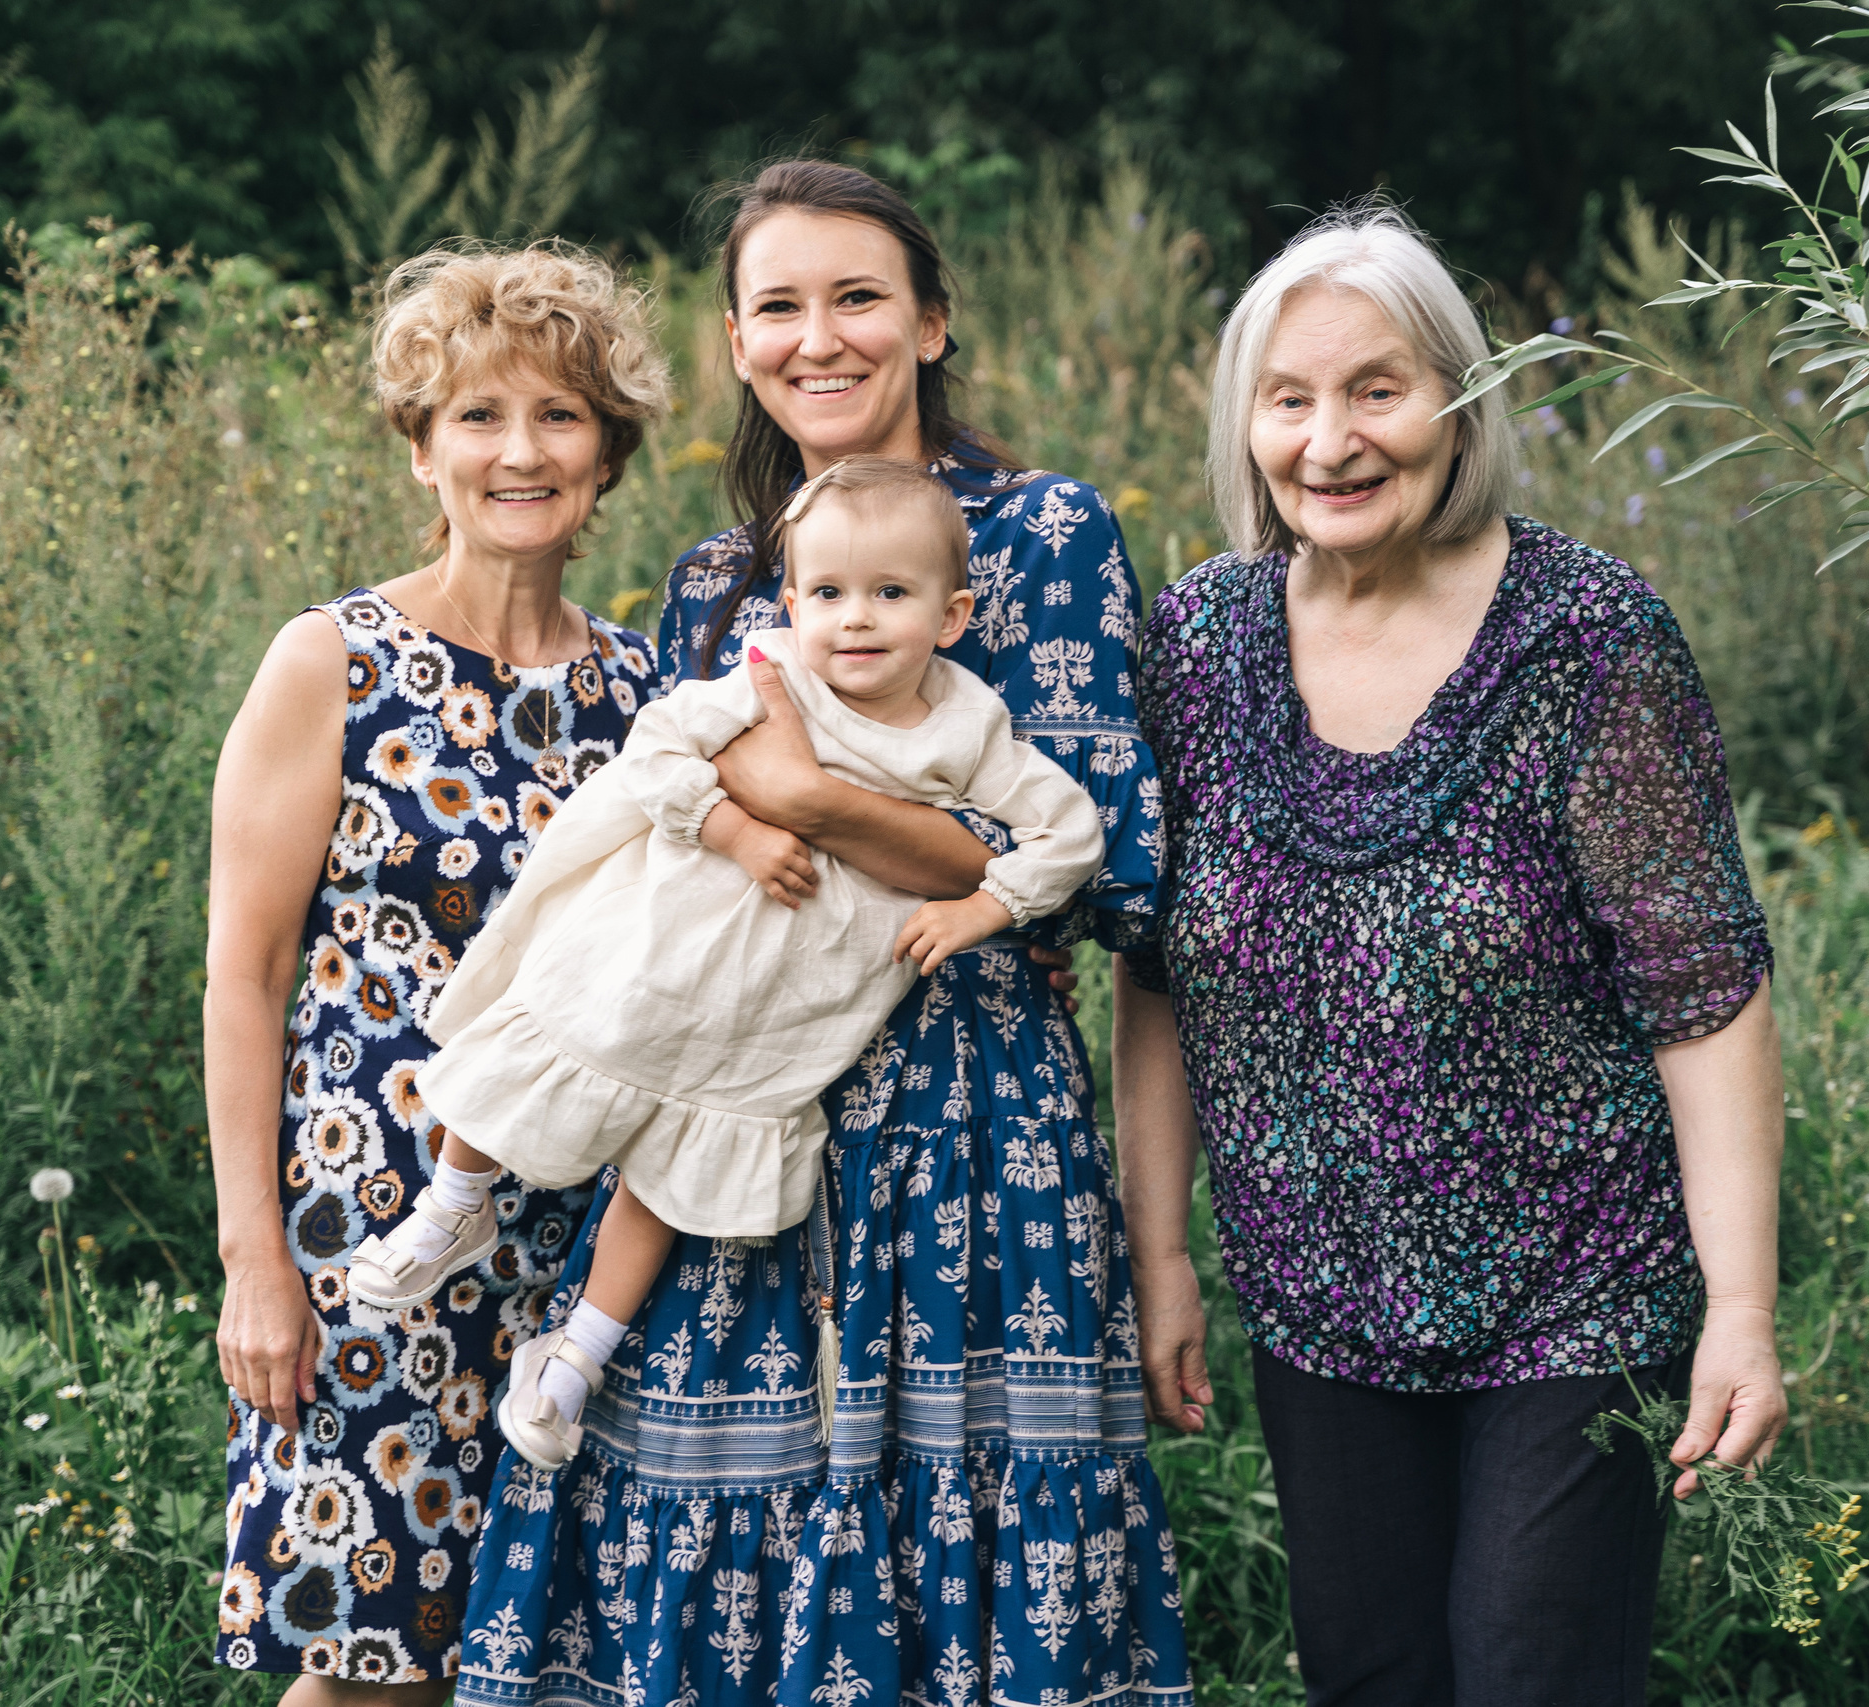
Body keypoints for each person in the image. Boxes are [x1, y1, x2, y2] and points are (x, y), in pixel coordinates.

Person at [454, 160, 1192, 1707]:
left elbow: (1112, 864)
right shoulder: (720, 585)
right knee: (718, 1534)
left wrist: (810, 795)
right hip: (735, 1102)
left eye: (858, 296)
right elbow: (667, 835)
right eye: (778, 305)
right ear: (736, 342)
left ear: (931, 322)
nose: (820, 337)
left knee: (959, 1547)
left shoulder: (1039, 535)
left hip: (970, 1128)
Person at [1114, 201, 1789, 1707]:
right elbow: (1158, 974)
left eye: (1378, 388)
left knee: (1527, 1673)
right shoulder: (1200, 642)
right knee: (1373, 1677)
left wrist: (1739, 1312)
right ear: (1246, 425)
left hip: (1576, 1287)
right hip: (1314, 1294)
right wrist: (1163, 1251)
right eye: (1289, 399)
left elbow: (1705, 995)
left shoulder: (1587, 636)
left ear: (1460, 402)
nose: (1331, 440)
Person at [349, 457, 1106, 1477]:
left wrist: (985, 907)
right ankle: (452, 1201)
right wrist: (732, 826)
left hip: (790, 1003)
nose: (858, 619)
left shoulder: (968, 727)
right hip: (673, 946)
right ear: (791, 604)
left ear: (952, 613)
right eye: (829, 594)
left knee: (675, 1171)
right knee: (552, 1042)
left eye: (892, 594)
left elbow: (1069, 833)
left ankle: (574, 1357)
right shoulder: (770, 674)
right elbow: (656, 749)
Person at [206, 239, 671, 1697]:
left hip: (590, 1249)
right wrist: (255, 1258)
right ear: (422, 446)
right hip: (380, 1227)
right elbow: (245, 970)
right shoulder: (331, 659)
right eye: (478, 415)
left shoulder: (652, 691)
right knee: (363, 1656)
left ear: (607, 455)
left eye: (559, 415)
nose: (518, 451)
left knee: (539, 1655)